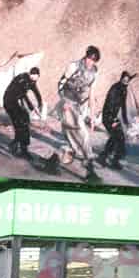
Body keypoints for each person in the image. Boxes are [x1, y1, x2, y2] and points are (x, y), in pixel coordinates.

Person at [55, 45, 102, 179]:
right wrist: (65, 102)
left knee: (72, 137)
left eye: (93, 60)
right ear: (85, 56)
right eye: (88, 58)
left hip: (77, 106)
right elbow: (60, 84)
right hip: (66, 104)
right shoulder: (74, 66)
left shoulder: (94, 73)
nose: (90, 62)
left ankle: (56, 158)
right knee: (82, 134)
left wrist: (92, 117)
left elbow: (92, 95)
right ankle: (89, 166)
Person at [2, 67, 43, 162]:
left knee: (25, 121)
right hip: (9, 101)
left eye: (36, 78)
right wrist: (32, 107)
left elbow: (36, 92)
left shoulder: (31, 81)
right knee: (21, 123)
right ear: (30, 74)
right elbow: (23, 95)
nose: (34, 79)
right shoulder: (22, 79)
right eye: (33, 77)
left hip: (17, 102)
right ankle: (21, 148)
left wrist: (40, 104)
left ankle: (16, 144)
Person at [101, 71, 134, 170]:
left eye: (127, 80)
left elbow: (123, 106)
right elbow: (110, 103)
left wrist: (125, 120)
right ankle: (115, 160)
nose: (126, 81)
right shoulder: (115, 88)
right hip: (108, 117)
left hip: (113, 117)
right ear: (121, 79)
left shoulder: (124, 89)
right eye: (124, 79)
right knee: (119, 137)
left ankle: (104, 155)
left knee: (116, 136)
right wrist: (113, 120)